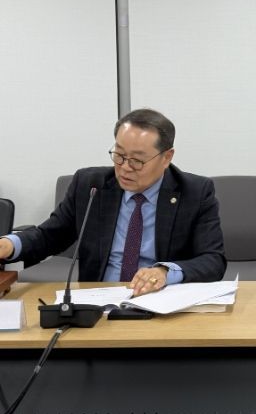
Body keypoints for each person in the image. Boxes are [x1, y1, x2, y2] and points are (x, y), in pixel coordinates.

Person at [0, 108, 226, 295]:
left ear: (166, 157)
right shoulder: (90, 185)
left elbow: (213, 260)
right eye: (119, 155)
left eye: (137, 160)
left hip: (160, 299)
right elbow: (50, 236)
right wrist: (9, 245)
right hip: (98, 298)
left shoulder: (195, 192)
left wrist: (165, 272)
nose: (125, 167)